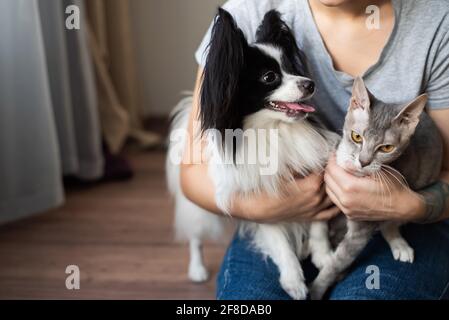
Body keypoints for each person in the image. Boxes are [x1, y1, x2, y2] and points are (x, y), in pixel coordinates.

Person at [181, 0, 449, 300]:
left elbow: (445, 171)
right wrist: (267, 208)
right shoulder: (249, 11)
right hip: (274, 226)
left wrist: (407, 206)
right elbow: (192, 172)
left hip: (396, 227)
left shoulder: (437, 21)